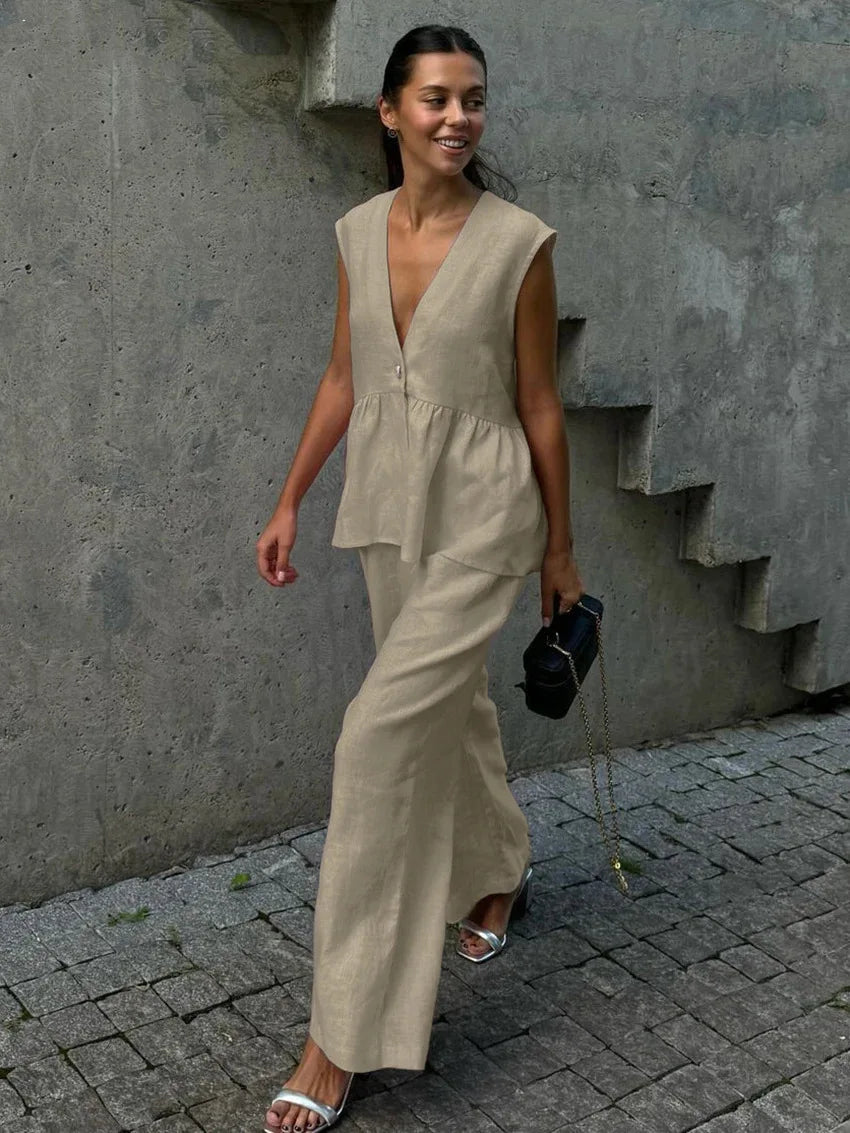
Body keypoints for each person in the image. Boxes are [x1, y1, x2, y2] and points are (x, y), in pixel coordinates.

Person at [256, 24, 584, 1133]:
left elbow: (540, 402)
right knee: (454, 707)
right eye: (437, 98)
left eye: (473, 99)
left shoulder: (519, 244)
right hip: (387, 504)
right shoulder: (356, 232)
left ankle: (340, 1035)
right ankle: (498, 868)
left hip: (485, 514)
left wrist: (560, 549)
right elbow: (344, 376)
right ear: (390, 111)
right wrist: (290, 497)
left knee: (378, 740)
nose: (458, 117)